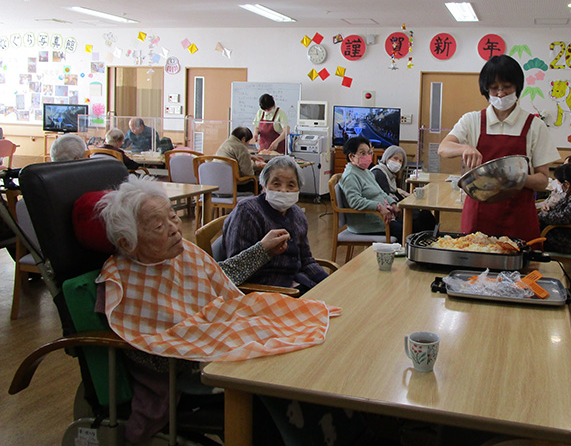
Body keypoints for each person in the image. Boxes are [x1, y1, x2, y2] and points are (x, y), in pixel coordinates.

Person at [94, 175, 369, 445]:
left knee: (307, 342)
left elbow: (219, 276)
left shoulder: (180, 253)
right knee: (281, 365)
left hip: (220, 332)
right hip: (190, 368)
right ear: (127, 243)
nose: (174, 228)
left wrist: (261, 250)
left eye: (173, 216)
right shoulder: (123, 284)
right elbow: (152, 350)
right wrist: (215, 339)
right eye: (157, 226)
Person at [438, 54, 560, 241]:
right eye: (494, 89)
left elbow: (543, 180)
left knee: (522, 267)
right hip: (479, 214)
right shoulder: (473, 120)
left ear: (517, 88)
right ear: (486, 91)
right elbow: (444, 148)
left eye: (507, 87)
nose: (501, 94)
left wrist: (513, 179)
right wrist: (464, 149)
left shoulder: (535, 126)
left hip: (518, 216)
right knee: (474, 263)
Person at [219, 156, 329, 292]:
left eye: (291, 185)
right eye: (276, 184)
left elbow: (306, 260)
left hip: (296, 282)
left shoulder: (297, 214)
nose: (283, 190)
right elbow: (235, 271)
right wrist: (264, 249)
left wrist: (329, 282)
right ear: (264, 186)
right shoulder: (247, 212)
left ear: (299, 189)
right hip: (265, 290)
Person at [339, 136, 402, 242]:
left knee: (412, 225)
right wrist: (379, 207)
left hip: (380, 218)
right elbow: (355, 201)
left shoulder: (366, 172)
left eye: (369, 152)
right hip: (367, 223)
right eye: (362, 153)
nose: (368, 156)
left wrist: (393, 204)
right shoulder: (350, 176)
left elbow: (381, 193)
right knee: (405, 231)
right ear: (351, 156)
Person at [371, 145, 436, 233]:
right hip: (389, 212)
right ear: (386, 158)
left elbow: (394, 192)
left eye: (400, 161)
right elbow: (384, 195)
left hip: (396, 208)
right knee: (424, 218)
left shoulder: (390, 175)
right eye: (395, 158)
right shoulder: (379, 173)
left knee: (425, 215)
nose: (397, 162)